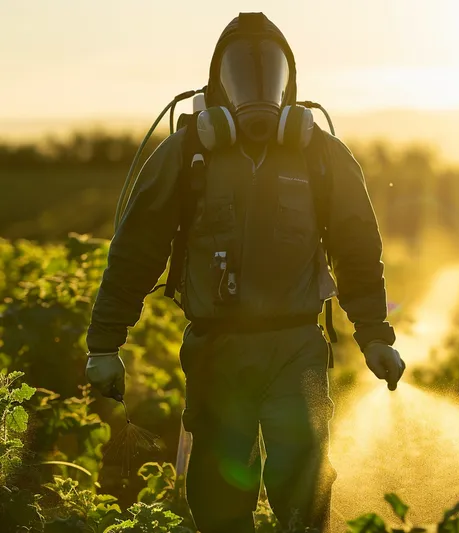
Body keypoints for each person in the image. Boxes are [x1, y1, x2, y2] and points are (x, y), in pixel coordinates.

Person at [84, 12, 405, 533]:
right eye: (241, 71)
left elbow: (358, 251)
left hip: (297, 345)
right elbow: (136, 250)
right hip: (217, 349)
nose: (257, 87)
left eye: (268, 71)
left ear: (289, 85)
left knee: (304, 485)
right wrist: (104, 344)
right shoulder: (187, 151)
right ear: (217, 85)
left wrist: (374, 335)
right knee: (218, 490)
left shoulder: (323, 156)